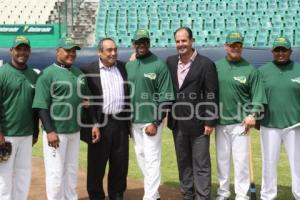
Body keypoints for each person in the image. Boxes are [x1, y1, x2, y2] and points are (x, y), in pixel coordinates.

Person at [32, 37, 100, 200]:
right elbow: (41, 105)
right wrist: (50, 131)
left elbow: (87, 101)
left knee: (71, 171)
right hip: (57, 132)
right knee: (55, 174)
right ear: (58, 51)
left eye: (74, 50)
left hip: (74, 131)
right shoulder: (47, 74)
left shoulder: (78, 73)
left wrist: (95, 124)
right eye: (68, 50)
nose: (71, 53)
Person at [166, 27, 219, 200]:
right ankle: (188, 195)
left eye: (184, 40)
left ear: (192, 41)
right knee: (183, 163)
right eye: (178, 41)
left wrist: (210, 121)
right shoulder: (170, 62)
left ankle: (204, 197)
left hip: (199, 124)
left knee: (201, 164)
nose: (181, 44)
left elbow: (212, 94)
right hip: (178, 123)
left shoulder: (206, 64)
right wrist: (135, 57)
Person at [215, 31, 266, 200]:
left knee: (241, 161)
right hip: (220, 122)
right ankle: (223, 192)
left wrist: (253, 114)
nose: (235, 48)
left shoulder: (251, 70)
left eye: (238, 45)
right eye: (232, 45)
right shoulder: (216, 67)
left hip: (241, 123)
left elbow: (258, 96)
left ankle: (242, 194)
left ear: (242, 47)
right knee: (222, 161)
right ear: (226, 46)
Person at [126, 29, 175, 200]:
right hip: (133, 121)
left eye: (144, 41)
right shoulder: (129, 65)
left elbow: (166, 97)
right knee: (141, 156)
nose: (142, 45)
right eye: (138, 42)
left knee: (152, 158)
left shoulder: (159, 65)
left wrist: (156, 121)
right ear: (134, 44)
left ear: (149, 43)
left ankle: (150, 196)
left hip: (151, 121)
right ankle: (154, 192)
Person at [80, 38, 130, 200]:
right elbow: (84, 100)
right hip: (100, 124)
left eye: (115, 49)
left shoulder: (123, 67)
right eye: (109, 50)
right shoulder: (87, 70)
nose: (113, 53)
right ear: (99, 52)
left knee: (120, 164)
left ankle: (117, 195)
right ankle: (96, 196)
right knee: (96, 165)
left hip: (121, 123)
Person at [259, 37, 300, 200]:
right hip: (270, 124)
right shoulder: (262, 71)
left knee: (298, 163)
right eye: (277, 50)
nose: (281, 53)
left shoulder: (299, 69)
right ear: (272, 52)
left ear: (291, 51)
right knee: (268, 164)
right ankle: (268, 196)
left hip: (295, 124)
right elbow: (257, 97)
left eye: (284, 50)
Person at [0, 35, 39, 200]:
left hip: (27, 134)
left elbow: (36, 107)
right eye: (19, 49)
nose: (22, 52)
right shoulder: (3, 74)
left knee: (23, 174)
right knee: (4, 176)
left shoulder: (34, 75)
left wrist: (35, 131)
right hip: (7, 134)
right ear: (11, 51)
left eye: (25, 49)